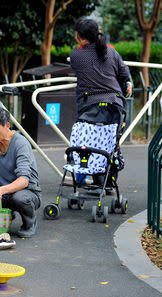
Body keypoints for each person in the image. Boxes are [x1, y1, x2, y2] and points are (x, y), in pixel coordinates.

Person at [70, 18, 132, 189]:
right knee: (111, 142)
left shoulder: (76, 55)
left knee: (91, 143)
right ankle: (109, 182)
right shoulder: (111, 52)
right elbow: (124, 72)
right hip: (115, 105)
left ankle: (97, 180)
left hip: (90, 107)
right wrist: (126, 83)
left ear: (81, 38)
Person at [0, 108, 41, 238]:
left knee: (19, 198)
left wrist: (0, 190)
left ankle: (30, 223)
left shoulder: (21, 143)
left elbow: (24, 181)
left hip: (28, 192)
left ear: (7, 125)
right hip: (4, 192)